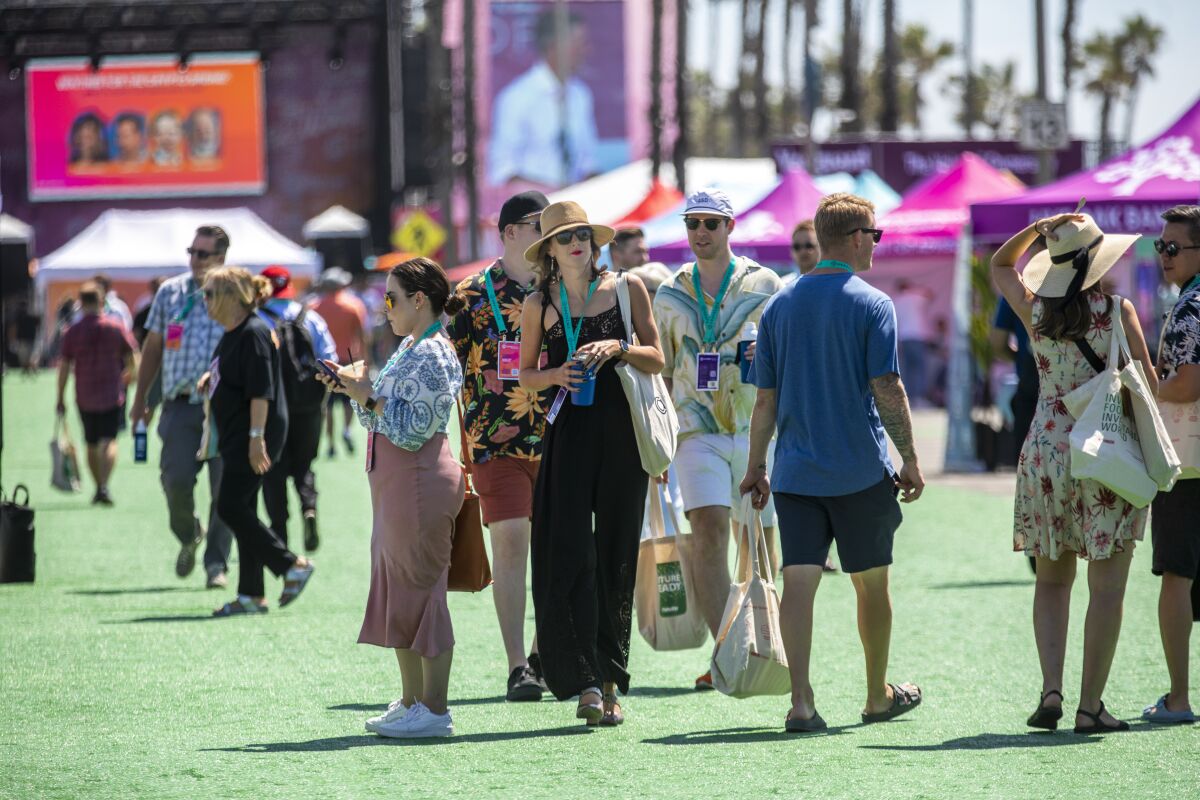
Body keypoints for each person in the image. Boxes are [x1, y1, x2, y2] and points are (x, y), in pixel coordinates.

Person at [740, 193, 924, 733]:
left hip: (795, 474)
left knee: (798, 584)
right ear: (859, 237)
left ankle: (801, 702)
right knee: (871, 585)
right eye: (876, 235)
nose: (877, 245)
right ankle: (875, 696)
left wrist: (756, 466)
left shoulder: (779, 305)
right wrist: (910, 457)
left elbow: (765, 400)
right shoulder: (872, 304)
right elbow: (887, 387)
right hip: (860, 473)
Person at [991, 212, 1153, 733]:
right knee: (1106, 588)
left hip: (1045, 451)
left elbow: (999, 264)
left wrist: (1038, 231)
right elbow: (1144, 386)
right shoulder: (1117, 310)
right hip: (1104, 451)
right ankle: (1090, 706)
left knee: (1053, 581)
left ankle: (1052, 690)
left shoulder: (1036, 311)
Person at [518, 201, 665, 727]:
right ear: (551, 252)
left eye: (582, 234)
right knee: (567, 554)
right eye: (564, 238)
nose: (576, 243)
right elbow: (525, 375)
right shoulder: (539, 303)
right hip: (568, 437)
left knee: (617, 556)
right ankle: (581, 681)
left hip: (624, 437)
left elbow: (658, 357)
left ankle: (609, 682)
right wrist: (555, 375)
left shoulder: (627, 289)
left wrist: (619, 347)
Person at [317, 258, 467, 739]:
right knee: (403, 592)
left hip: (420, 481)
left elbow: (413, 427)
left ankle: (435, 710)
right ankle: (412, 702)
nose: (385, 308)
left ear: (419, 300)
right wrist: (355, 390)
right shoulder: (410, 346)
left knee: (423, 592)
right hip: (400, 484)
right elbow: (378, 417)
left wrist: (367, 396)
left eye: (392, 298)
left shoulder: (432, 352)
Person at [652, 188, 783, 691]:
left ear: (730, 227)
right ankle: (726, 650)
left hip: (755, 428)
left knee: (759, 540)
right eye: (693, 224)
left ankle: (767, 646)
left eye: (711, 223)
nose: (701, 233)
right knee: (707, 533)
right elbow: (662, 374)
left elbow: (780, 362)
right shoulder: (669, 294)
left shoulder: (765, 284)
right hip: (695, 432)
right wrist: (659, 441)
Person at [446, 191, 552, 701]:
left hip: (560, 438)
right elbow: (444, 367)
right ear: (509, 232)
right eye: (539, 224)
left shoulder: (564, 290)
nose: (548, 233)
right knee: (511, 541)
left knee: (558, 550)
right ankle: (517, 666)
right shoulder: (467, 296)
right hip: (494, 441)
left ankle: (541, 652)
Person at [201, 267, 315, 617]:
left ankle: (290, 565)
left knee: (230, 507)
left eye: (210, 293)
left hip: (253, 434)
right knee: (243, 509)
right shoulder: (233, 332)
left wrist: (256, 439)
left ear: (232, 297)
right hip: (238, 432)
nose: (204, 300)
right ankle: (251, 595)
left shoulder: (253, 332)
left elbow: (261, 391)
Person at [130, 225, 235, 589]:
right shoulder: (170, 293)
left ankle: (216, 565)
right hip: (179, 406)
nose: (194, 260)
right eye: (191, 252)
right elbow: (153, 348)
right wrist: (142, 399)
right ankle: (190, 533)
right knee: (174, 482)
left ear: (221, 258)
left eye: (202, 254)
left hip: (225, 409)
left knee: (225, 491)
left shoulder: (235, 293)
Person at [1142, 204, 1200, 725]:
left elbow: (1186, 383)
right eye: (1161, 246)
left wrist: (1144, 395)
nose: (1164, 255)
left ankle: (1179, 697)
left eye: (1173, 247)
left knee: (1177, 575)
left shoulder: (1190, 306)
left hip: (1188, 465)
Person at [257, 266, 337, 553]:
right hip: (307, 406)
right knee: (304, 465)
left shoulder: (257, 319)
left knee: (273, 470)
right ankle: (309, 508)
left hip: (268, 407)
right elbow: (329, 359)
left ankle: (279, 534)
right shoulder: (310, 316)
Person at [488, 10, 598, 188]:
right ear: (555, 47)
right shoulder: (517, 98)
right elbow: (503, 173)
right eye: (579, 44)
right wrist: (554, 194)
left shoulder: (581, 95)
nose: (586, 51)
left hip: (575, 209)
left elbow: (587, 162)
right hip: (535, 210)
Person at [56, 282, 139, 506]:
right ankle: (104, 484)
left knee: (91, 442)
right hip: (112, 393)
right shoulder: (115, 327)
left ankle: (97, 486)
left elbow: (64, 366)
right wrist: (130, 376)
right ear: (101, 301)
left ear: (80, 303)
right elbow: (132, 354)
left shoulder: (72, 332)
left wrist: (60, 397)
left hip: (85, 394)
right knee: (109, 441)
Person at [310, 268, 369, 457]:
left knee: (327, 404)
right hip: (349, 359)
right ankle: (346, 430)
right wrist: (365, 361)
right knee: (348, 400)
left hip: (324, 362)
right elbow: (361, 336)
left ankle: (330, 442)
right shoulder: (353, 305)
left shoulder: (313, 307)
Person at [892, 280, 935, 408]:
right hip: (917, 336)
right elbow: (930, 295)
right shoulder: (916, 296)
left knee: (907, 369)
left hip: (904, 337)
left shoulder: (896, 300)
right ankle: (919, 397)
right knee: (920, 368)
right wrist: (916, 288)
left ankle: (908, 397)